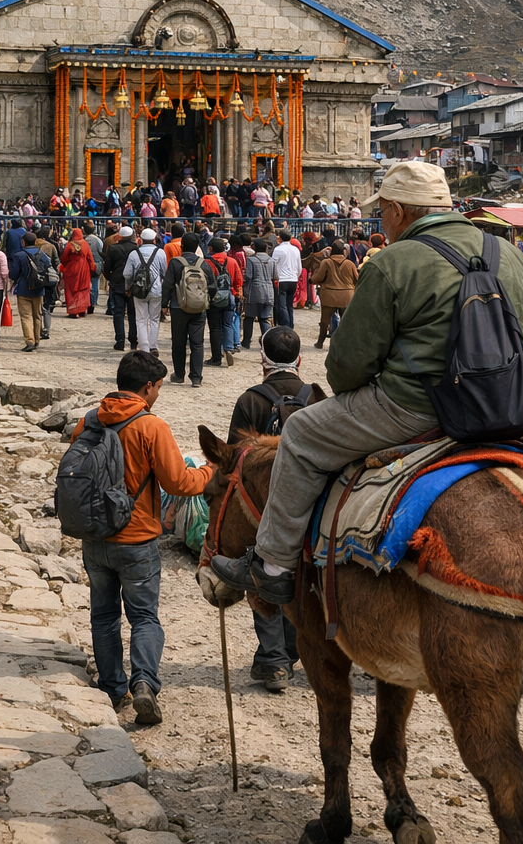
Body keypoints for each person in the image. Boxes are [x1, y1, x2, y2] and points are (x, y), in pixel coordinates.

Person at [211, 160, 523, 606]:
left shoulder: (393, 262)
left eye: (382, 212)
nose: (381, 221)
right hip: (504, 412)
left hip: (410, 409)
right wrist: (499, 397)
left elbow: (347, 369)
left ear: (397, 211)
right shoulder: (509, 254)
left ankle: (274, 565)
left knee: (299, 433)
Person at [70, 351, 213, 722]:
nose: (159, 395)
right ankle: (145, 684)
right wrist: (209, 474)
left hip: (94, 539)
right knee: (145, 617)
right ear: (147, 387)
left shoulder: (87, 422)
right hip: (136, 541)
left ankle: (112, 689)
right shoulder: (151, 426)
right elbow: (179, 483)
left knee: (103, 616)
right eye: (159, 388)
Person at [227, 327, 304, 693]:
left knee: (262, 574)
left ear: (263, 361)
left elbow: (233, 459)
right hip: (306, 506)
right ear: (299, 361)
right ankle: (289, 651)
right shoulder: (316, 397)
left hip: (260, 509)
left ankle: (273, 661)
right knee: (298, 575)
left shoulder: (249, 401)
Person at [160, 232, 214, 386]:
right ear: (197, 246)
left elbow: (168, 285)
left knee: (178, 342)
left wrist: (164, 304)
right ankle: (196, 377)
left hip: (178, 308)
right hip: (199, 309)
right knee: (197, 344)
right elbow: (213, 286)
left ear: (182, 246)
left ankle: (179, 374)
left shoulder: (175, 263)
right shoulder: (203, 264)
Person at [310, 240, 359, 349]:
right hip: (347, 296)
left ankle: (320, 343)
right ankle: (345, 344)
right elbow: (357, 279)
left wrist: (312, 278)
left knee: (324, 321)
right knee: (346, 321)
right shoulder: (349, 264)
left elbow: (318, 278)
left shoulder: (326, 262)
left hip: (329, 295)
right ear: (343, 251)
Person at [123, 228, 166, 353]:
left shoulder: (134, 253)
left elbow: (127, 274)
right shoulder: (160, 253)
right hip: (156, 290)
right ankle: (153, 345)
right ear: (154, 239)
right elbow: (164, 272)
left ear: (141, 239)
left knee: (141, 319)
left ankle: (144, 348)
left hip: (139, 290)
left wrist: (128, 287)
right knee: (154, 319)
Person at [206, 237, 243, 366]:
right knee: (228, 324)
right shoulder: (232, 261)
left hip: (214, 298)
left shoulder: (207, 262)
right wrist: (238, 294)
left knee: (215, 327)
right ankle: (228, 348)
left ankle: (216, 357)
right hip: (229, 296)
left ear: (211, 249)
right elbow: (239, 281)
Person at [104, 225, 140, 351]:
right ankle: (133, 341)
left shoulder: (113, 248)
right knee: (132, 313)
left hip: (117, 282)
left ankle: (120, 341)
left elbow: (107, 266)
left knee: (118, 312)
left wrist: (110, 278)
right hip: (132, 284)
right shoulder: (136, 248)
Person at [11, 232, 47, 351]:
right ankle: (37, 340)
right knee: (37, 315)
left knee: (26, 316)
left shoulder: (19, 255)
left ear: (23, 242)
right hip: (39, 289)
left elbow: (13, 273)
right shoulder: (42, 254)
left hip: (23, 289)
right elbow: (48, 267)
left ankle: (29, 341)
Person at [241, 238, 276, 347]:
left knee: (249, 317)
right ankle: (267, 344)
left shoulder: (251, 260)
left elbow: (249, 276)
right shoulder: (272, 260)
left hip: (254, 292)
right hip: (269, 291)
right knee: (265, 319)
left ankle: (246, 342)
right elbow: (275, 276)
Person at [270, 230, 303, 329]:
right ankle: (290, 325)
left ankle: (286, 325)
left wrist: (274, 277)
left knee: (282, 305)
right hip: (293, 279)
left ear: (280, 238)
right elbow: (299, 267)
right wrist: (296, 275)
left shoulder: (278, 250)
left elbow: (273, 265)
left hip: (282, 280)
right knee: (289, 306)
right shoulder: (295, 250)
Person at [60, 228, 93, 318]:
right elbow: (90, 257)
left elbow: (64, 258)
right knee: (83, 289)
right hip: (84, 268)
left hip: (72, 268)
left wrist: (67, 264)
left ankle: (73, 311)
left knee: (71, 289)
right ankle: (82, 309)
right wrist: (92, 267)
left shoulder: (70, 244)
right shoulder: (85, 244)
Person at [35, 228, 61, 338]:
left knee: (36, 306)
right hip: (49, 279)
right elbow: (56, 262)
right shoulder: (51, 246)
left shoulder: (32, 246)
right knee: (47, 306)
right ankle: (46, 329)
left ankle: (37, 329)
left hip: (35, 279)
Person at [84, 223, 104, 313]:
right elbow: (101, 251)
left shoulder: (84, 240)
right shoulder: (98, 240)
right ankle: (93, 302)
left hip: (86, 264)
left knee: (86, 283)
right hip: (97, 264)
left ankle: (87, 302)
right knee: (95, 282)